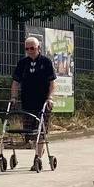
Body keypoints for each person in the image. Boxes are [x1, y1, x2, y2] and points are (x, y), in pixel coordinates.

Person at [10, 35, 57, 169]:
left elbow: (52, 83)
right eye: (27, 48)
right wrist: (13, 97)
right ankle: (35, 152)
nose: (30, 50)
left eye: (32, 48)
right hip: (27, 102)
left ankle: (37, 158)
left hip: (43, 103)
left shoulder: (46, 62)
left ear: (39, 48)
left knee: (40, 132)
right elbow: (15, 82)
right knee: (29, 133)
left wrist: (50, 98)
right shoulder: (22, 63)